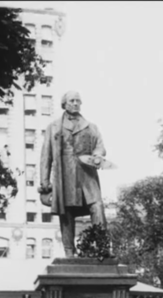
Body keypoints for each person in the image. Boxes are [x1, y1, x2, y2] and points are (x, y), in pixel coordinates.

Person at [39, 90, 107, 257]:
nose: (76, 103)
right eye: (72, 100)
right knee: (66, 211)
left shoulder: (91, 126)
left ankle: (102, 247)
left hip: (87, 174)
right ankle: (69, 251)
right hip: (65, 173)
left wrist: (97, 155)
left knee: (97, 206)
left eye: (78, 101)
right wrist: (45, 182)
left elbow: (100, 146)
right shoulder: (53, 127)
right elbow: (45, 155)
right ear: (65, 104)